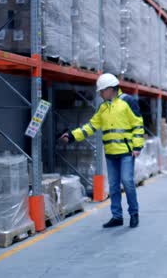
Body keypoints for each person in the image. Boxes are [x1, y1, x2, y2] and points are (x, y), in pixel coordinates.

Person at [60, 73, 145, 228]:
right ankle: (117, 216)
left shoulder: (128, 102)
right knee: (113, 186)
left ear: (110, 89)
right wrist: (72, 136)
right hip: (111, 153)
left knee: (127, 181)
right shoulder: (103, 108)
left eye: (102, 91)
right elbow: (91, 126)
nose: (100, 94)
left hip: (126, 152)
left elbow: (138, 125)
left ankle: (134, 213)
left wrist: (137, 146)